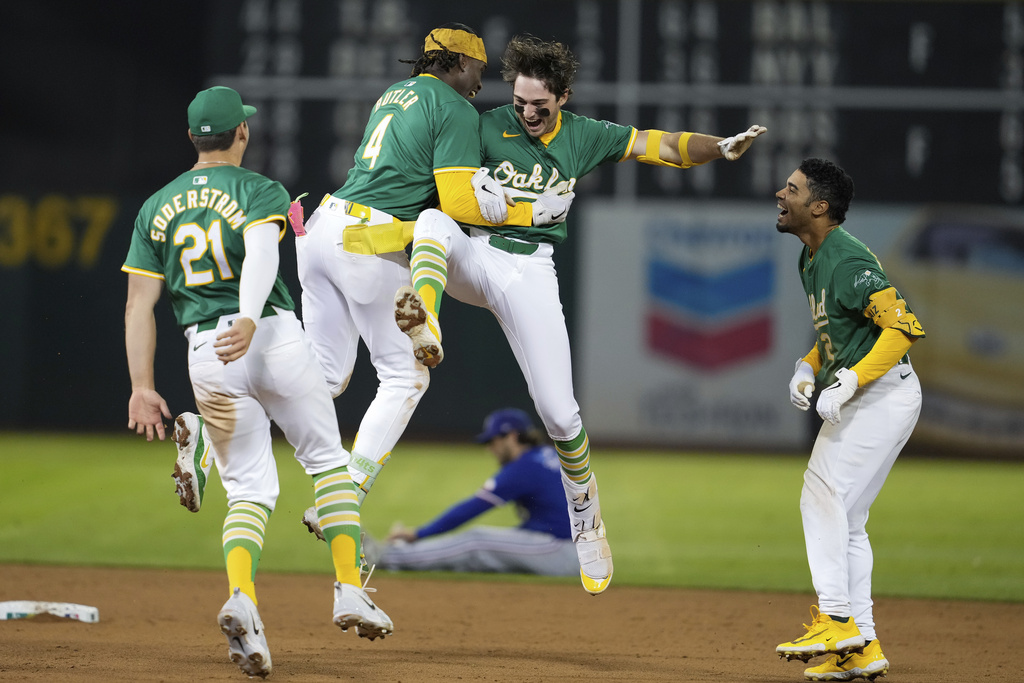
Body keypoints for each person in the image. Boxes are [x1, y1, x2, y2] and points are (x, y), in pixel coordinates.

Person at [393, 35, 767, 595]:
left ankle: (587, 519)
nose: (526, 113)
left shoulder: (587, 136)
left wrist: (718, 146)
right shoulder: (484, 124)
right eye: (519, 101)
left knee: (560, 415)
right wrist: (488, 194)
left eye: (539, 105)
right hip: (477, 255)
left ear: (563, 97)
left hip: (531, 272)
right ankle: (429, 322)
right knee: (431, 226)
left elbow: (658, 146)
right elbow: (444, 188)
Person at [122, 86, 393, 678]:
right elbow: (261, 253)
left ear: (193, 138)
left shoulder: (154, 207)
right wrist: (247, 316)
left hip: (205, 355)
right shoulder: (258, 188)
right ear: (240, 134)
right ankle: (349, 586)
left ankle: (242, 596)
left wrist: (142, 385)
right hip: (267, 335)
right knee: (326, 463)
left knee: (247, 492)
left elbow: (138, 305)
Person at [291, 23, 570, 516]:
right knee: (405, 376)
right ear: (460, 63)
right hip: (366, 239)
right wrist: (528, 210)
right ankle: (344, 496)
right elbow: (457, 202)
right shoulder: (455, 106)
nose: (480, 83)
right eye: (479, 70)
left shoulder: (395, 92)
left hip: (319, 228)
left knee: (324, 376)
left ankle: (212, 421)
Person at [772, 158, 925, 681]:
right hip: (872, 394)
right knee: (848, 521)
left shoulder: (844, 258)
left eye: (791, 189)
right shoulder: (812, 257)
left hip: (883, 396)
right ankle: (863, 646)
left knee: (819, 496)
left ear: (819, 206)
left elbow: (902, 328)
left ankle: (836, 619)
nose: (780, 193)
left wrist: (854, 379)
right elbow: (837, 333)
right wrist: (808, 366)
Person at [314, 408, 579, 576]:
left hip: (561, 550)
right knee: (482, 554)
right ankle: (407, 559)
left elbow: (471, 508)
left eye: (492, 441)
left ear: (511, 437)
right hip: (576, 548)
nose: (490, 448)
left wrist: (419, 533)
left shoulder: (524, 466)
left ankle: (384, 557)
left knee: (477, 540)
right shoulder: (546, 456)